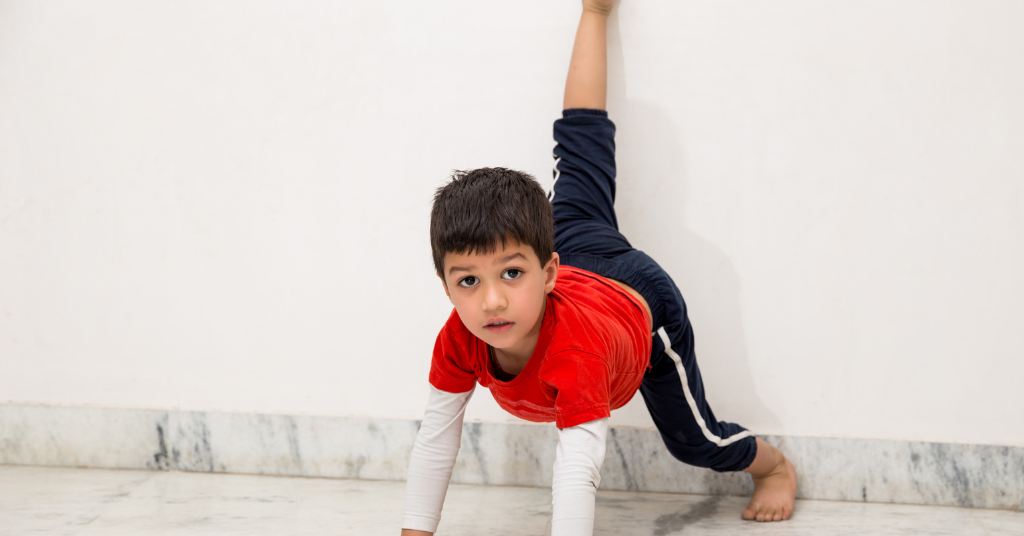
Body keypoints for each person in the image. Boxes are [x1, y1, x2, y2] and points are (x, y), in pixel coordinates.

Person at [401, 1, 797, 534]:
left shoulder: (575, 352)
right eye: (469, 281)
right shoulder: (461, 335)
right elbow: (436, 437)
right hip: (574, 248)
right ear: (447, 288)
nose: (491, 300)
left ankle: (772, 464)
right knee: (583, 144)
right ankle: (595, 11)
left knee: (694, 441)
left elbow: (577, 470)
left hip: (636, 299)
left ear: (546, 270)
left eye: (510, 275)